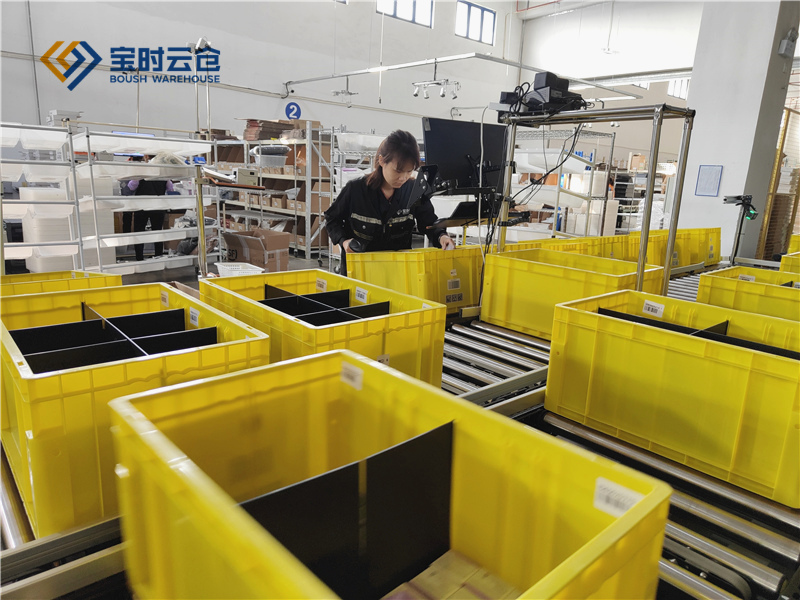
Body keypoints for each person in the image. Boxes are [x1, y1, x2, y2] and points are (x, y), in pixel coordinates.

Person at [325, 130, 454, 273]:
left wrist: (442, 236)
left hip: (398, 271)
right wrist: (344, 241)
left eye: (409, 171)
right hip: (360, 270)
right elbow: (332, 219)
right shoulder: (356, 190)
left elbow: (429, 223)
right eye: (398, 171)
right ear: (382, 161)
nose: (403, 178)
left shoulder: (414, 191)